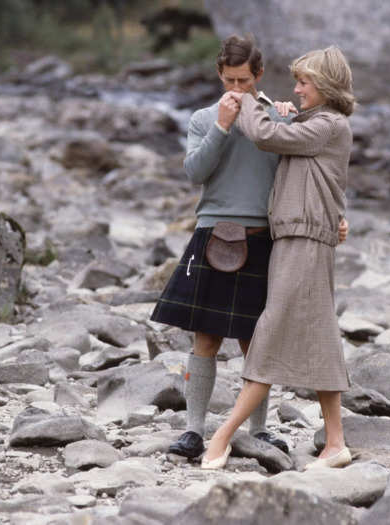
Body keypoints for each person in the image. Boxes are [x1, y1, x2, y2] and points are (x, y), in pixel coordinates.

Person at [150, 35, 348, 459]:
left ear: (258, 75)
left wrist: (335, 215)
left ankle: (258, 432)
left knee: (257, 340)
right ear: (219, 76)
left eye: (243, 80)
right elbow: (194, 172)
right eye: (228, 80)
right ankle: (193, 430)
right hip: (213, 230)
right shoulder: (204, 118)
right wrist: (222, 126)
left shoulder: (281, 119)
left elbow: (309, 175)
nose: (235, 89)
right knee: (204, 338)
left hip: (265, 237)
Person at [200, 46, 355, 470]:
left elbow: (268, 136)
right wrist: (271, 105)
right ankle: (336, 442)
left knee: (268, 332)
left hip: (304, 238)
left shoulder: (329, 124)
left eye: (304, 82)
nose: (298, 89)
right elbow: (285, 130)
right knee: (320, 333)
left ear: (324, 85)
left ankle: (222, 435)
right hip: (296, 236)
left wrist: (249, 102)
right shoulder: (318, 122)